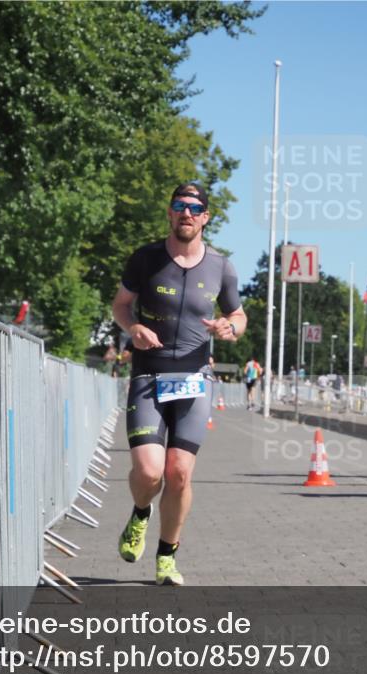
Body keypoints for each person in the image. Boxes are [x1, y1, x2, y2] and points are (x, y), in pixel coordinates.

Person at [111, 183, 247, 585]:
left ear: (205, 217)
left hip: (194, 380)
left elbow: (238, 316)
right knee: (150, 472)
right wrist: (132, 326)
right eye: (179, 206)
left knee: (179, 472)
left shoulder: (221, 267)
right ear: (170, 214)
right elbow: (120, 305)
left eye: (195, 208)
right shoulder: (146, 259)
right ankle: (140, 513)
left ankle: (167, 557)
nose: (186, 213)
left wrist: (229, 327)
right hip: (149, 376)